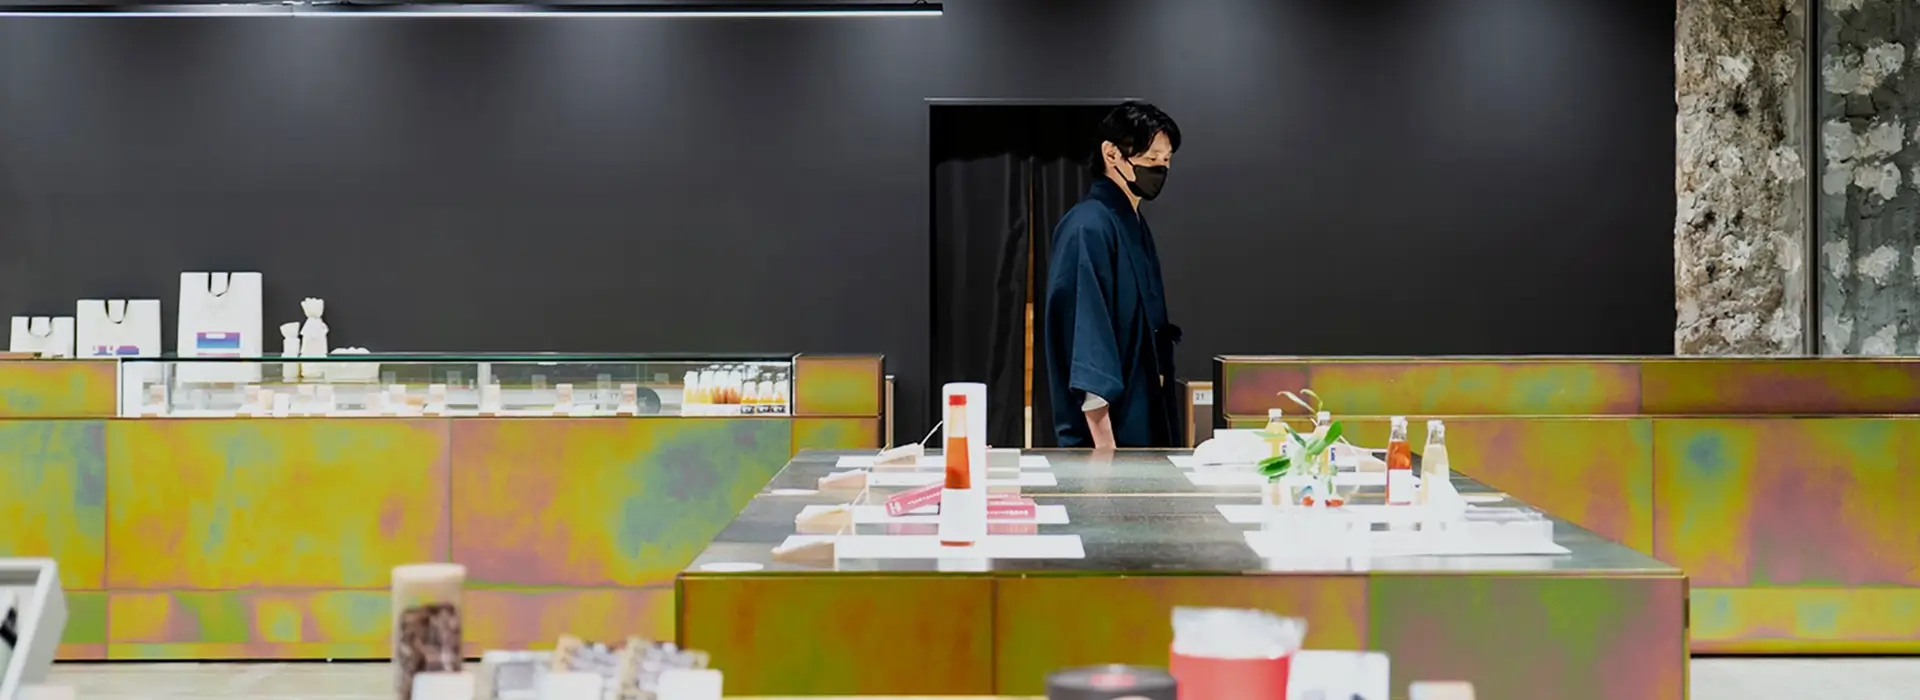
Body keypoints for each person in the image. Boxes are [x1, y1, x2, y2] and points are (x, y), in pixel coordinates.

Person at [1042, 102, 1182, 449]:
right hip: (1108, 436)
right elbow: (1087, 338)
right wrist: (1106, 448)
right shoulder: (1088, 226)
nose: (1160, 168)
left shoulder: (1131, 223)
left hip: (1143, 414)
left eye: (1166, 159)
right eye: (1151, 158)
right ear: (1112, 153)